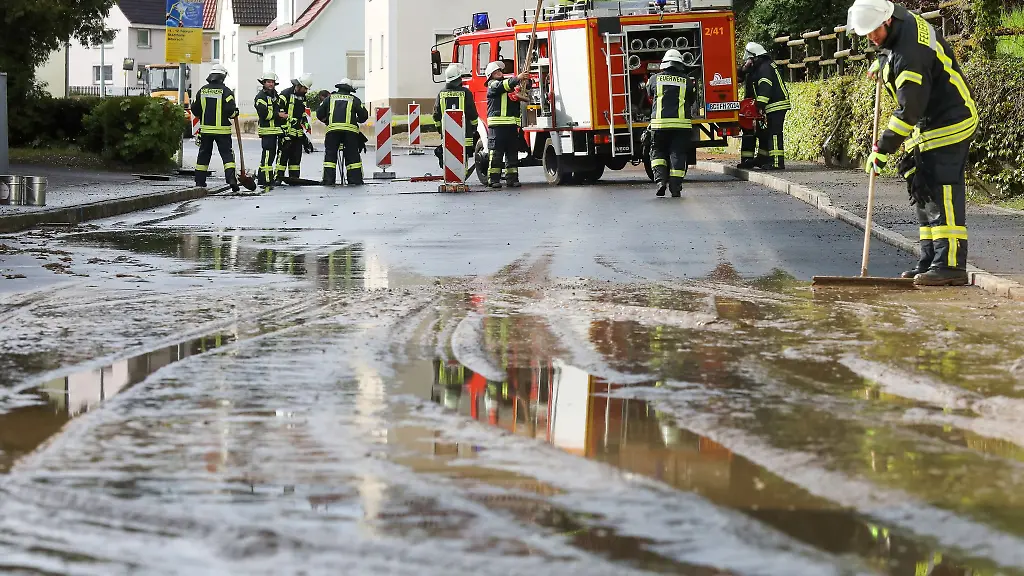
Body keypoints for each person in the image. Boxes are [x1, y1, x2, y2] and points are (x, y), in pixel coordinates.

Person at [850, 0, 978, 286]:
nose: (871, 38)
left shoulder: (911, 54)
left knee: (941, 190)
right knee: (922, 189)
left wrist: (882, 149)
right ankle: (930, 260)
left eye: (874, 31)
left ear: (887, 21)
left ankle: (950, 265)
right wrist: (884, 62)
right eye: (866, 33)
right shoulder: (901, 23)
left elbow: (909, 110)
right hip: (931, 121)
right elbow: (894, 52)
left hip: (950, 121)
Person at [645, 49, 696, 198]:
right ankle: (675, 188)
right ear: (680, 63)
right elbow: (691, 99)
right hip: (681, 126)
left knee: (657, 151)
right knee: (678, 154)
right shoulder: (687, 80)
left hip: (659, 126)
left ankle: (660, 182)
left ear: (665, 63)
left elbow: (649, 94)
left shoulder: (654, 79)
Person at [737, 42, 791, 170]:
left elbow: (765, 89)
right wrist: (743, 69)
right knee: (764, 133)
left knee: (774, 133)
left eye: (749, 60)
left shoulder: (764, 68)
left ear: (755, 57)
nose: (748, 62)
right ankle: (762, 159)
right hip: (772, 106)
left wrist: (758, 105)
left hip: (776, 105)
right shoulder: (762, 66)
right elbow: (742, 76)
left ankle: (777, 163)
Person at [191, 63, 239, 191]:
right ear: (223, 77)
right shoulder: (227, 92)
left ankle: (199, 181)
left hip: (206, 130)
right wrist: (235, 113)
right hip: (223, 131)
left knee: (204, 154)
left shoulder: (202, 90)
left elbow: (195, 109)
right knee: (227, 155)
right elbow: (230, 110)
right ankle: (231, 179)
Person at [316, 78, 368, 186]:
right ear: (350, 89)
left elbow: (319, 113)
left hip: (332, 132)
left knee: (330, 156)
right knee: (352, 156)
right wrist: (357, 120)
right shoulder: (354, 99)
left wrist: (327, 121)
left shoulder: (329, 99)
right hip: (350, 133)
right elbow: (364, 115)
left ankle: (328, 180)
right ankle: (355, 180)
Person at [485, 62, 529, 188]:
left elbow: (516, 87)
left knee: (512, 154)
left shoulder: (508, 86)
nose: (499, 73)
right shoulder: (493, 85)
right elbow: (504, 85)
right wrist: (518, 77)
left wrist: (525, 81)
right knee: (496, 155)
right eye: (496, 72)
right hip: (497, 127)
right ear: (490, 76)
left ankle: (512, 179)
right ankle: (493, 180)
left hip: (511, 126)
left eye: (500, 71)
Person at [433, 63, 480, 180]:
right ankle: (461, 177)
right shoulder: (466, 93)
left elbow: (436, 115)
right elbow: (472, 113)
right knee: (463, 156)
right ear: (459, 78)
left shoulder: (441, 93)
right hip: (465, 134)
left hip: (447, 133)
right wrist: (474, 128)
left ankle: (449, 176)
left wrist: (440, 130)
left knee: (448, 155)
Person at [275, 73, 314, 183]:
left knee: (296, 158)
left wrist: (306, 137)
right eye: (305, 88)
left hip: (298, 134)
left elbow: (303, 116)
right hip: (286, 134)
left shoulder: (303, 97)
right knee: (282, 157)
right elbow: (278, 114)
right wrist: (283, 133)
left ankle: (294, 178)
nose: (306, 91)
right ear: (299, 85)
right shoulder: (285, 94)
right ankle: (278, 177)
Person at [254, 72, 288, 192]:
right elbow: (264, 114)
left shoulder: (275, 96)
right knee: (268, 156)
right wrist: (278, 115)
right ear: (263, 83)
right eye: (268, 82)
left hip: (275, 131)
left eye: (272, 82)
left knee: (270, 156)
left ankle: (261, 178)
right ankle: (267, 180)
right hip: (267, 131)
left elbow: (279, 108)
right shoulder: (260, 97)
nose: (271, 84)